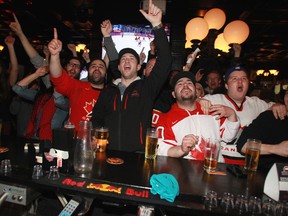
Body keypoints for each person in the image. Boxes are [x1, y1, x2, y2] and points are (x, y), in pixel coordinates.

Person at [91, 0, 172, 152]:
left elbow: (166, 61)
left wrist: (157, 26)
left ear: (139, 66)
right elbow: (97, 118)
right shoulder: (108, 91)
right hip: (108, 152)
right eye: (123, 60)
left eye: (131, 59)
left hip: (138, 155)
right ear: (119, 67)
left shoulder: (147, 88)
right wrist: (107, 38)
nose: (127, 61)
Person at [204, 66, 287, 164]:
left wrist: (278, 105)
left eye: (244, 79)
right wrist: (200, 101)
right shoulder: (213, 100)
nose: (240, 82)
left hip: (246, 166)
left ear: (248, 83)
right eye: (234, 79)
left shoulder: (257, 104)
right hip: (217, 163)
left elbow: (279, 107)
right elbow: (190, 102)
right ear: (226, 85)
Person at [156, 71, 240, 160]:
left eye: (189, 83)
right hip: (184, 171)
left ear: (196, 91)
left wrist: (232, 114)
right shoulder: (165, 118)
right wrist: (181, 149)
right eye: (180, 84)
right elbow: (161, 149)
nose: (185, 85)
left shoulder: (210, 110)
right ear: (173, 94)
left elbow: (228, 137)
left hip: (215, 168)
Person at [48, 28, 107, 131]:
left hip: (100, 143)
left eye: (101, 66)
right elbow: (58, 77)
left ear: (106, 73)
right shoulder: (78, 86)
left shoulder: (111, 94)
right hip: (74, 142)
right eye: (93, 66)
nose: (97, 68)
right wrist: (54, 55)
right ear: (88, 71)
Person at [237, 87, 288, 172]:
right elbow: (243, 145)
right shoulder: (272, 117)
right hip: (266, 178)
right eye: (287, 93)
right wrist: (276, 148)